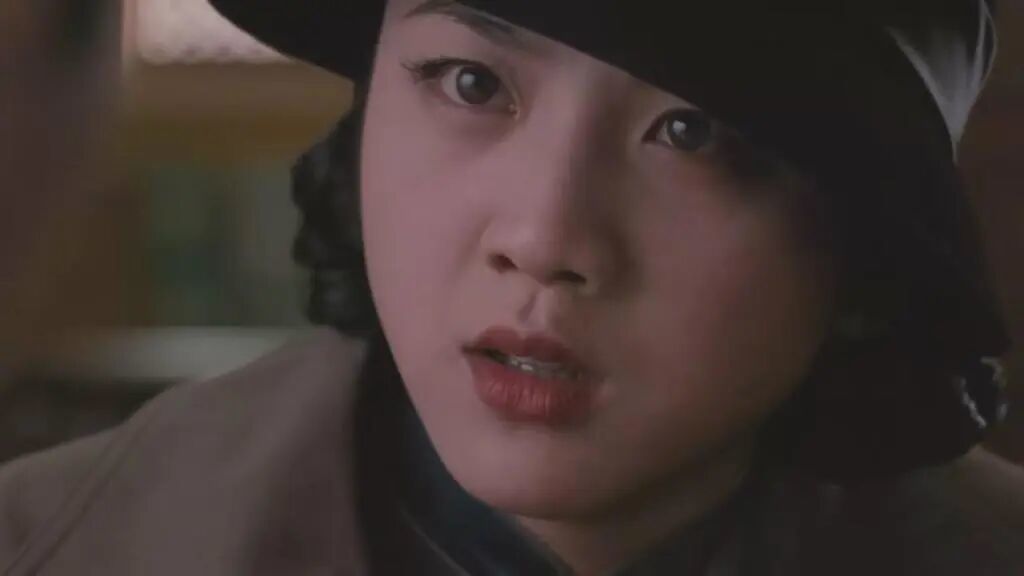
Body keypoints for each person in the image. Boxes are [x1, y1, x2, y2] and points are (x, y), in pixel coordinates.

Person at [1, 0, 1022, 574]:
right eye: (471, 82)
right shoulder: (58, 546)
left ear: (861, 243)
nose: (543, 238)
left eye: (692, 131)